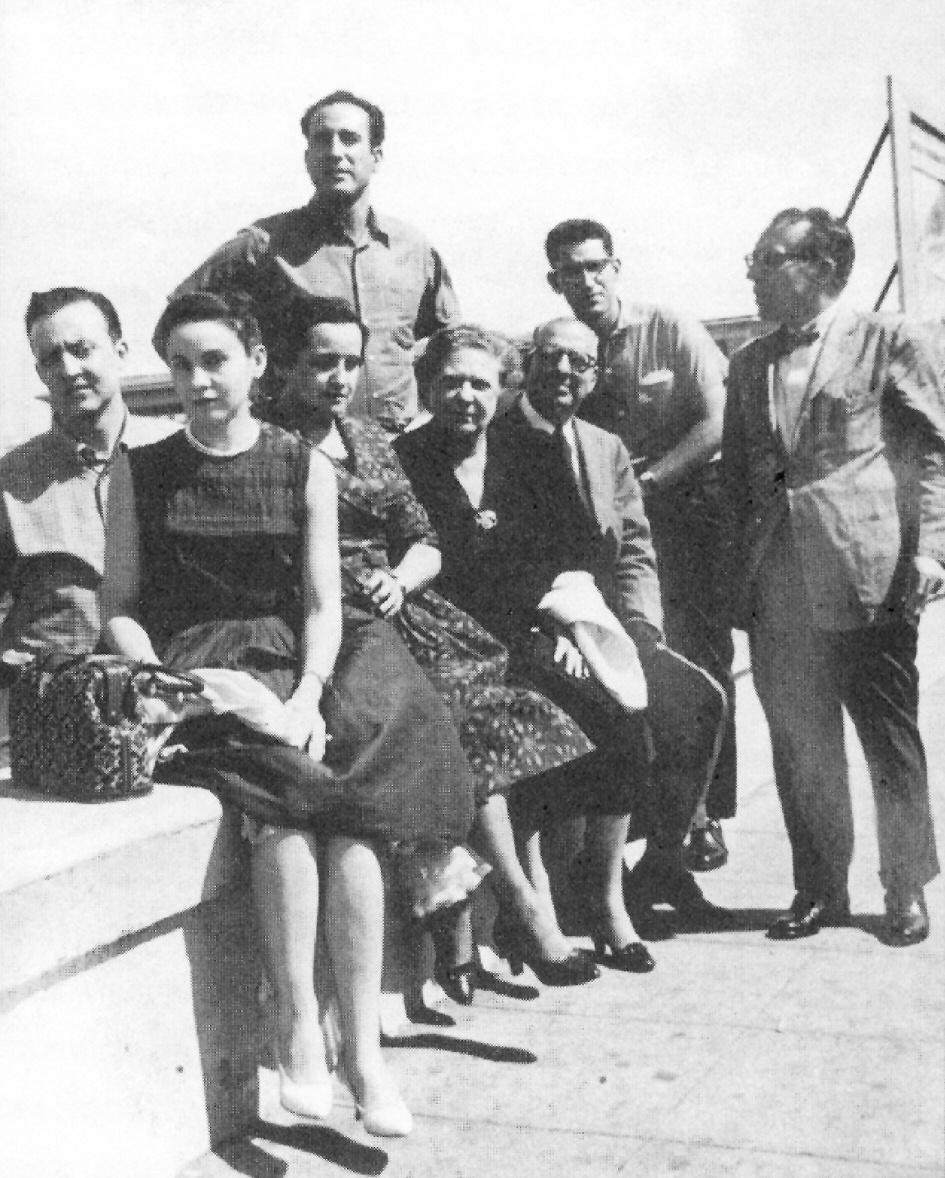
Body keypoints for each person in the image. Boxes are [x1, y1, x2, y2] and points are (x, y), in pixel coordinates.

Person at [108, 290, 483, 1138]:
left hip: (300, 661)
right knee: (284, 808)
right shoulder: (144, 468)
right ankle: (298, 1029)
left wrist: (310, 691)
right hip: (200, 670)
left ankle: (363, 1052)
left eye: (215, 361)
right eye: (180, 365)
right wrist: (171, 681)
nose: (198, 381)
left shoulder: (299, 461)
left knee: (354, 816)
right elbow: (119, 606)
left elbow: (321, 600)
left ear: (255, 363)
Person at [267, 296, 601, 990]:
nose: (338, 378)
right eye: (321, 362)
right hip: (326, 621)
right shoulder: (272, 443)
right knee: (450, 725)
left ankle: (490, 921)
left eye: (350, 363)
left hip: (404, 610)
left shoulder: (365, 439)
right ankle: (514, 912)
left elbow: (424, 539)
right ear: (284, 366)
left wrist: (399, 577)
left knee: (501, 715)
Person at [399, 319, 728, 962]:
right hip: (448, 636)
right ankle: (536, 909)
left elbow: (569, 549)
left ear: (499, 389)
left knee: (620, 719)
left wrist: (565, 626)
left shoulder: (526, 452)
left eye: (479, 385)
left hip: (530, 626)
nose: (465, 397)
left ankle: (607, 900)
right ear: (426, 386)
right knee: (518, 731)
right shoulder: (406, 460)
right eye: (451, 383)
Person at [721, 206, 945, 945]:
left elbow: (933, 452)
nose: (752, 274)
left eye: (766, 259)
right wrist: (740, 577)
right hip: (778, 588)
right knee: (799, 743)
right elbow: (738, 478)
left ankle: (904, 886)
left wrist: (932, 550)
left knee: (887, 739)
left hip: (867, 574)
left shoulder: (889, 339)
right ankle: (819, 888)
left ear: (819, 266)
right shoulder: (748, 362)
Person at [546, 218, 736, 872]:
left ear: (616, 267)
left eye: (595, 266)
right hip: (605, 528)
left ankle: (702, 819)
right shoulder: (560, 350)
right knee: (624, 662)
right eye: (571, 272)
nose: (586, 280)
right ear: (555, 281)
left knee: (697, 663)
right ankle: (640, 827)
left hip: (683, 512)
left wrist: (646, 483)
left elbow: (716, 421)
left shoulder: (670, 329)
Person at [167, 90, 458, 431]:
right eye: (322, 140)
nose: (335, 152)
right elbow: (176, 323)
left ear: (376, 156)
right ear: (307, 157)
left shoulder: (413, 250)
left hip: (393, 446)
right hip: (294, 443)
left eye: (349, 139)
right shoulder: (261, 247)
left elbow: (451, 345)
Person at [0, 288, 136, 673]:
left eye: (82, 350)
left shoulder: (169, 456)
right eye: (51, 358)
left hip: (164, 689)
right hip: (50, 694)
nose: (68, 369)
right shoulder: (10, 480)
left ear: (120, 352)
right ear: (40, 372)